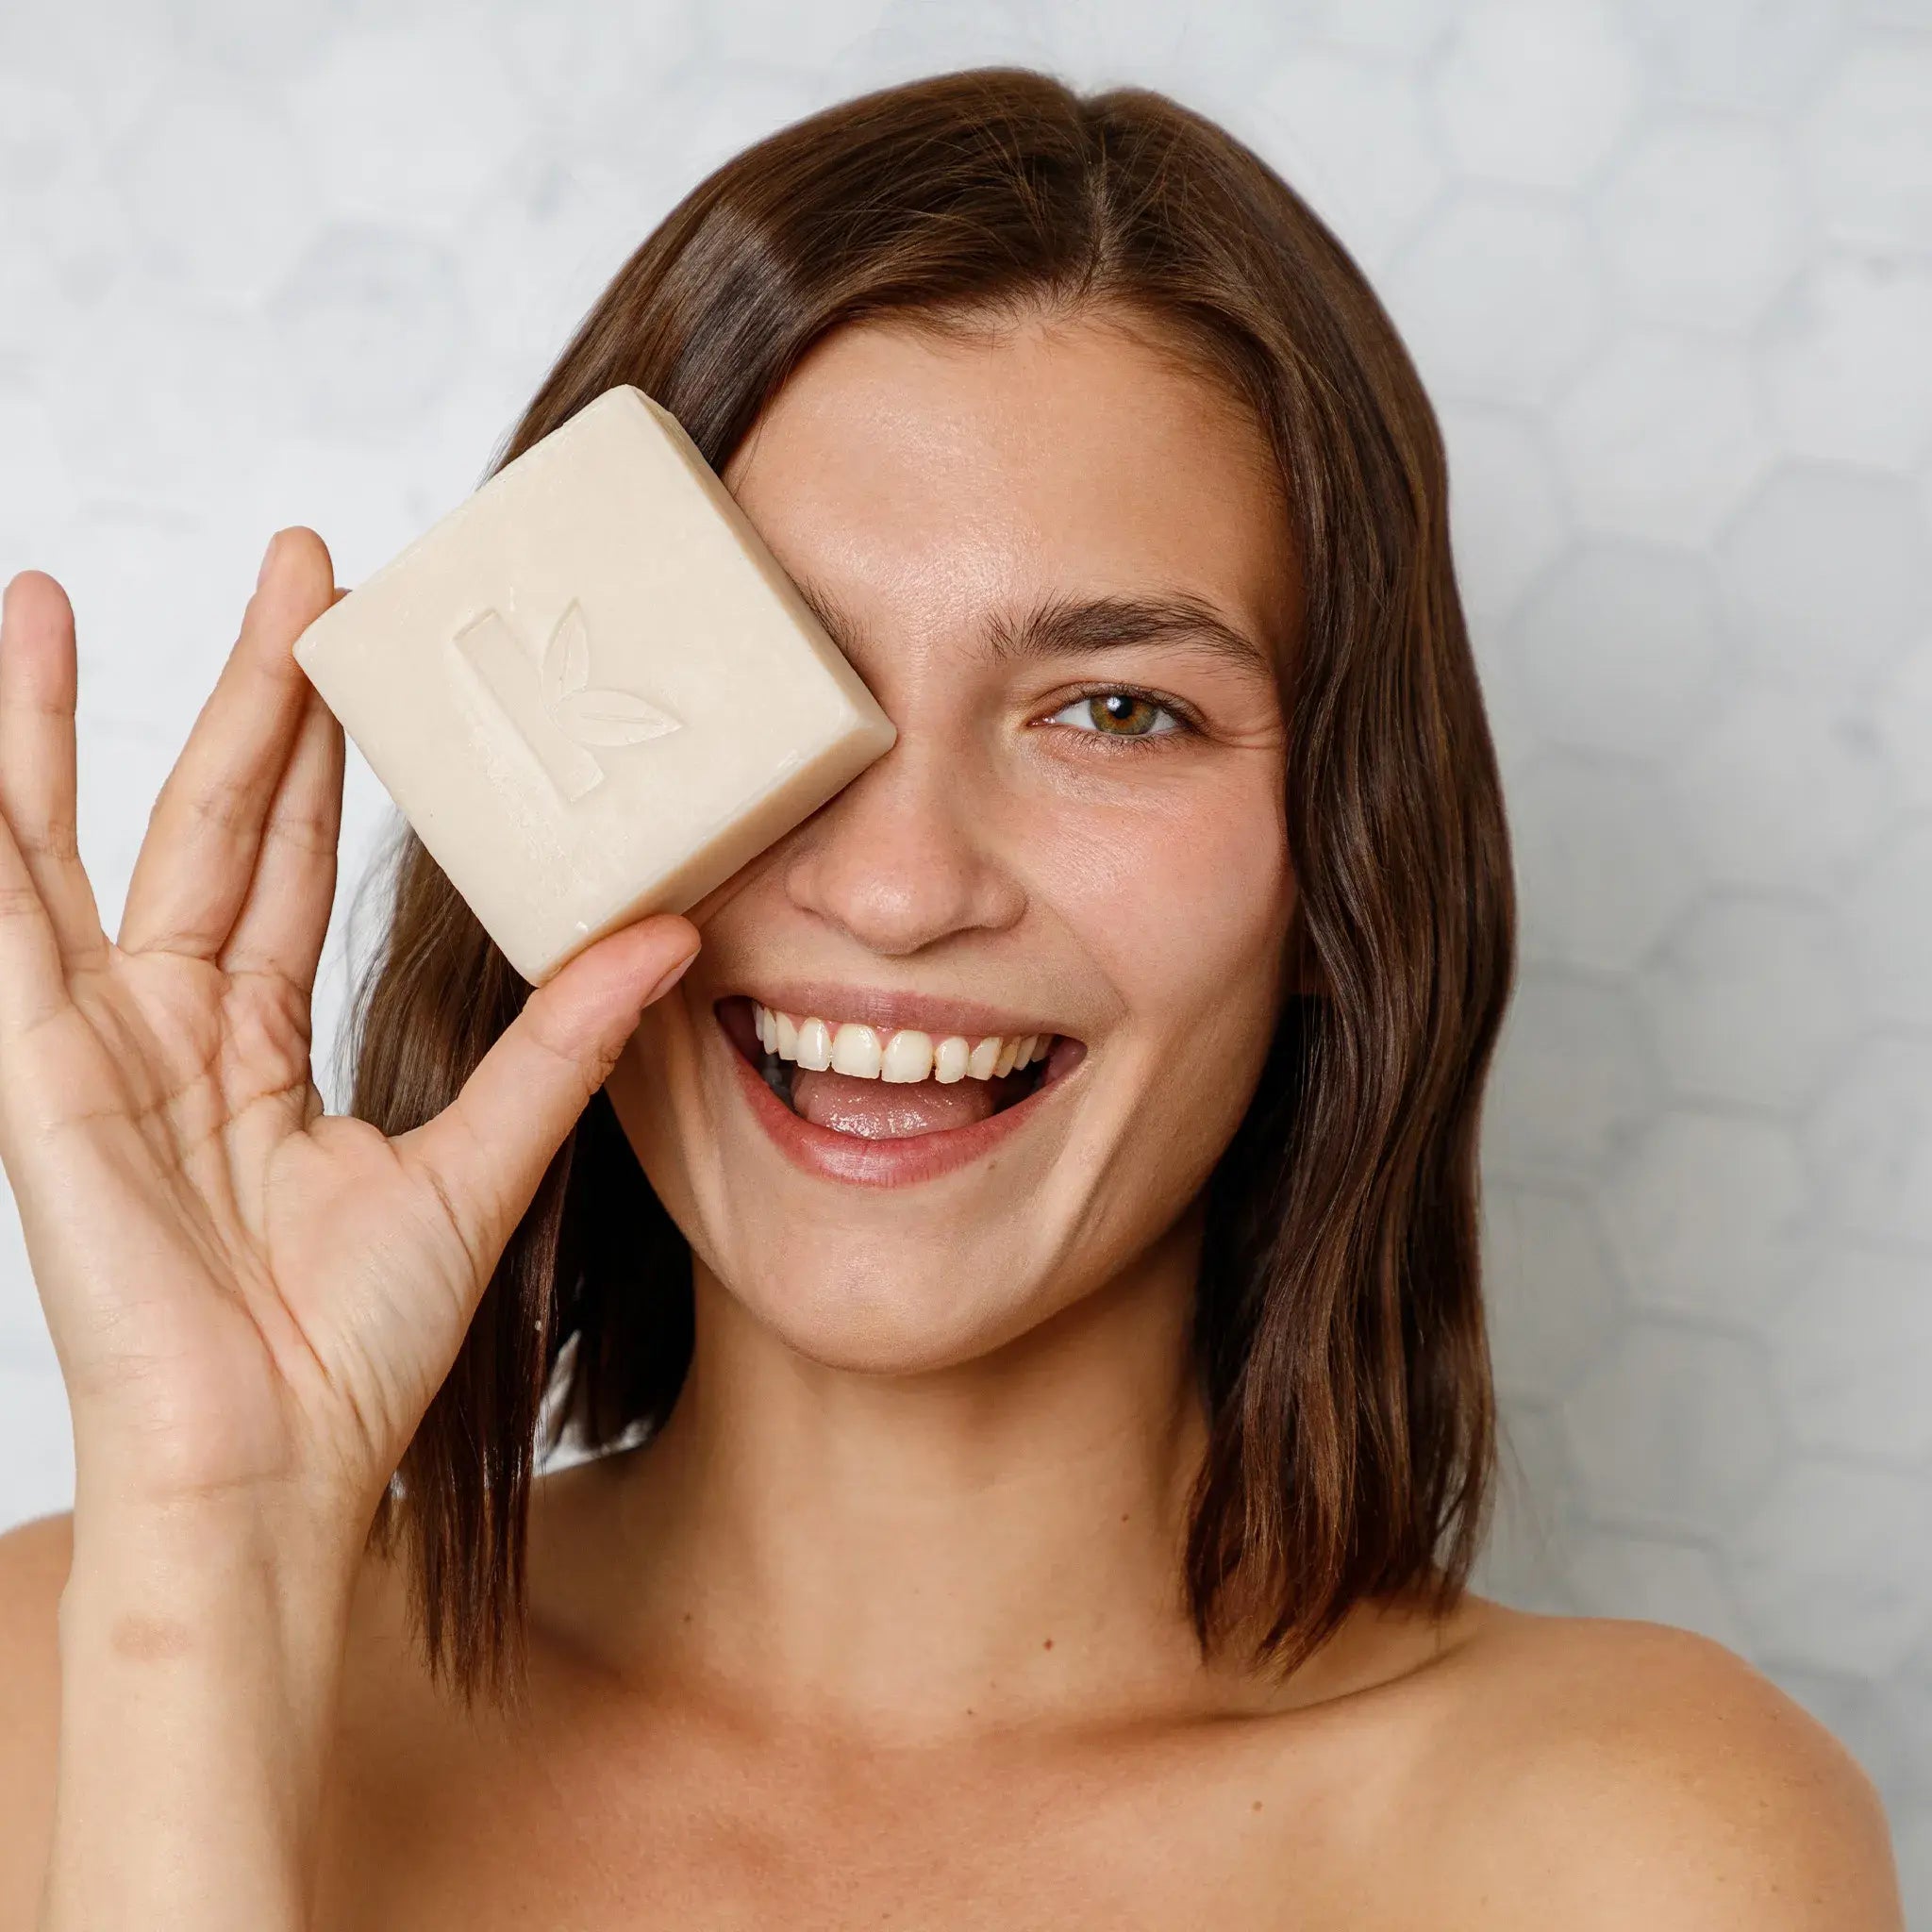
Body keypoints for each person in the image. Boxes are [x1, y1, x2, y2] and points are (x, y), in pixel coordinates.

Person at [0, 65, 1903, 1931]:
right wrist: (203, 1573)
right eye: (784, 679)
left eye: (1113, 710)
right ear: (539, 803)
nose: (899, 886)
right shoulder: (73, 1679)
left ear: (1340, 867)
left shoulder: (1638, 1847)